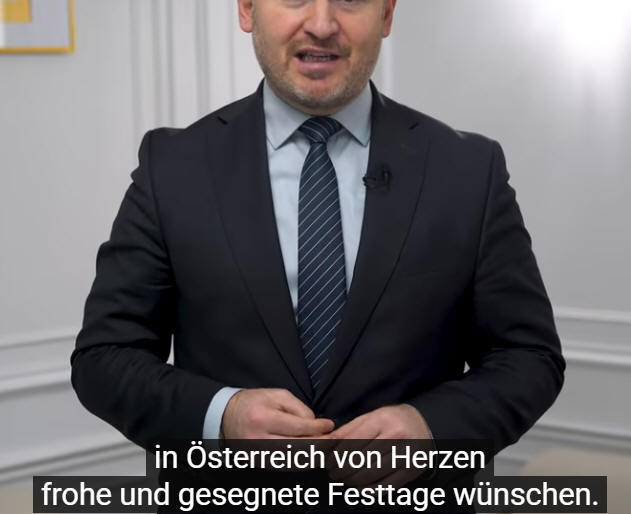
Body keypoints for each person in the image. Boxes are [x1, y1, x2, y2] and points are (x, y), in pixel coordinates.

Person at [72, 0, 564, 474]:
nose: (322, 24)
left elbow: (528, 358)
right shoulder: (172, 166)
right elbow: (105, 358)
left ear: (386, 14)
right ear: (247, 9)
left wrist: (434, 430)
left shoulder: (469, 170)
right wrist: (221, 416)